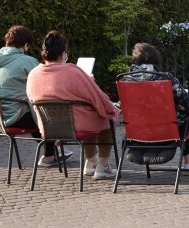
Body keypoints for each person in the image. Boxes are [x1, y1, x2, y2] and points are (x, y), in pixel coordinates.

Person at [26, 31, 119, 180]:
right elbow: (100, 99)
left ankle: (91, 162)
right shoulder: (73, 71)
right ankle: (102, 165)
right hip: (78, 125)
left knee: (92, 115)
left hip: (49, 128)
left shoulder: (33, 74)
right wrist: (111, 109)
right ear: (63, 53)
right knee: (106, 118)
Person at [0, 25, 70, 168]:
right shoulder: (27, 62)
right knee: (45, 112)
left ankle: (52, 152)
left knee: (31, 110)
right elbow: (46, 83)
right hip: (14, 118)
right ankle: (50, 154)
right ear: (26, 45)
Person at [119, 43, 189, 169]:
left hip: (138, 134)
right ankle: (188, 161)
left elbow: (122, 105)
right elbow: (187, 103)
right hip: (166, 132)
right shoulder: (166, 79)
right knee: (183, 116)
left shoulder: (125, 80)